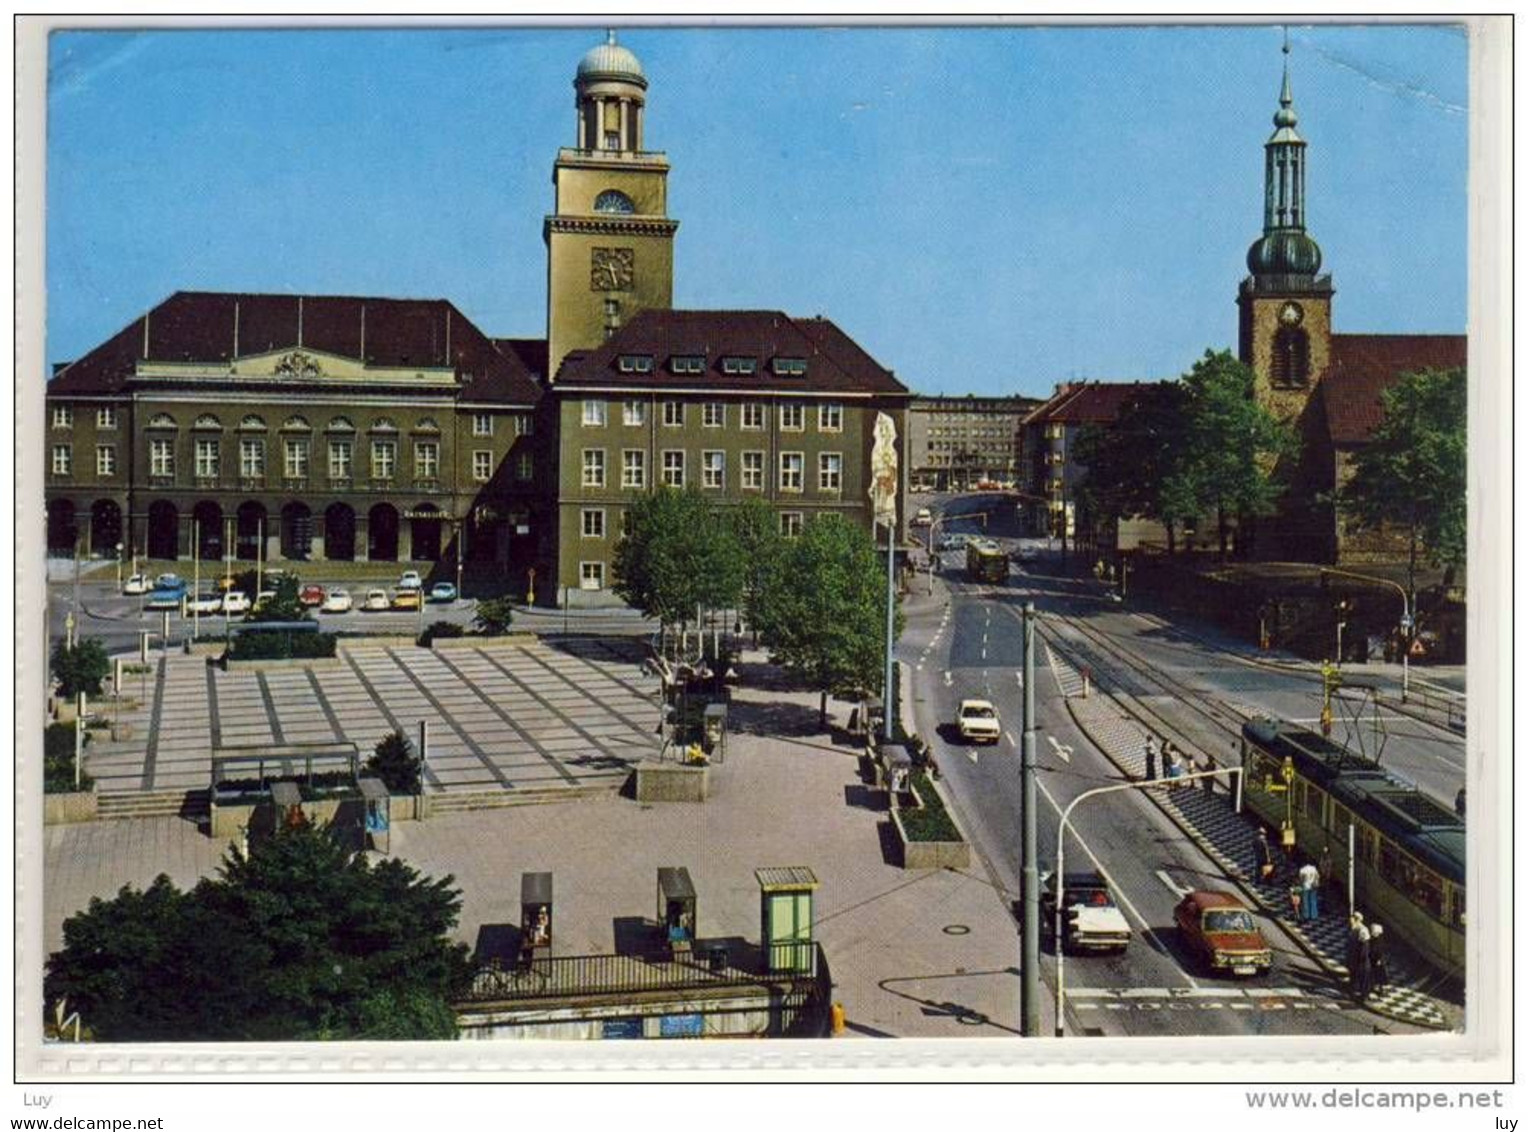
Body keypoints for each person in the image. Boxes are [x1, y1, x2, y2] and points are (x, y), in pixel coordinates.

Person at [1346, 913, 1371, 1002]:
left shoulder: (1363, 930)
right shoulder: (1353, 928)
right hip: (1353, 956)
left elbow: (1364, 947)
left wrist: (1360, 958)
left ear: (1357, 920)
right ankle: (1352, 990)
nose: (1350, 922)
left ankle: (1363, 995)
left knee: (1362, 977)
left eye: (1352, 920)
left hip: (1360, 959)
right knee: (1353, 974)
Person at [1369, 922, 1389, 992]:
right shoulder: (1374, 939)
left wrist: (1379, 960)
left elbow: (1380, 951)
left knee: (1379, 974)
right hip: (1374, 959)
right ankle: (1375, 986)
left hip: (1378, 960)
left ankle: (1380, 987)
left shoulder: (1379, 940)